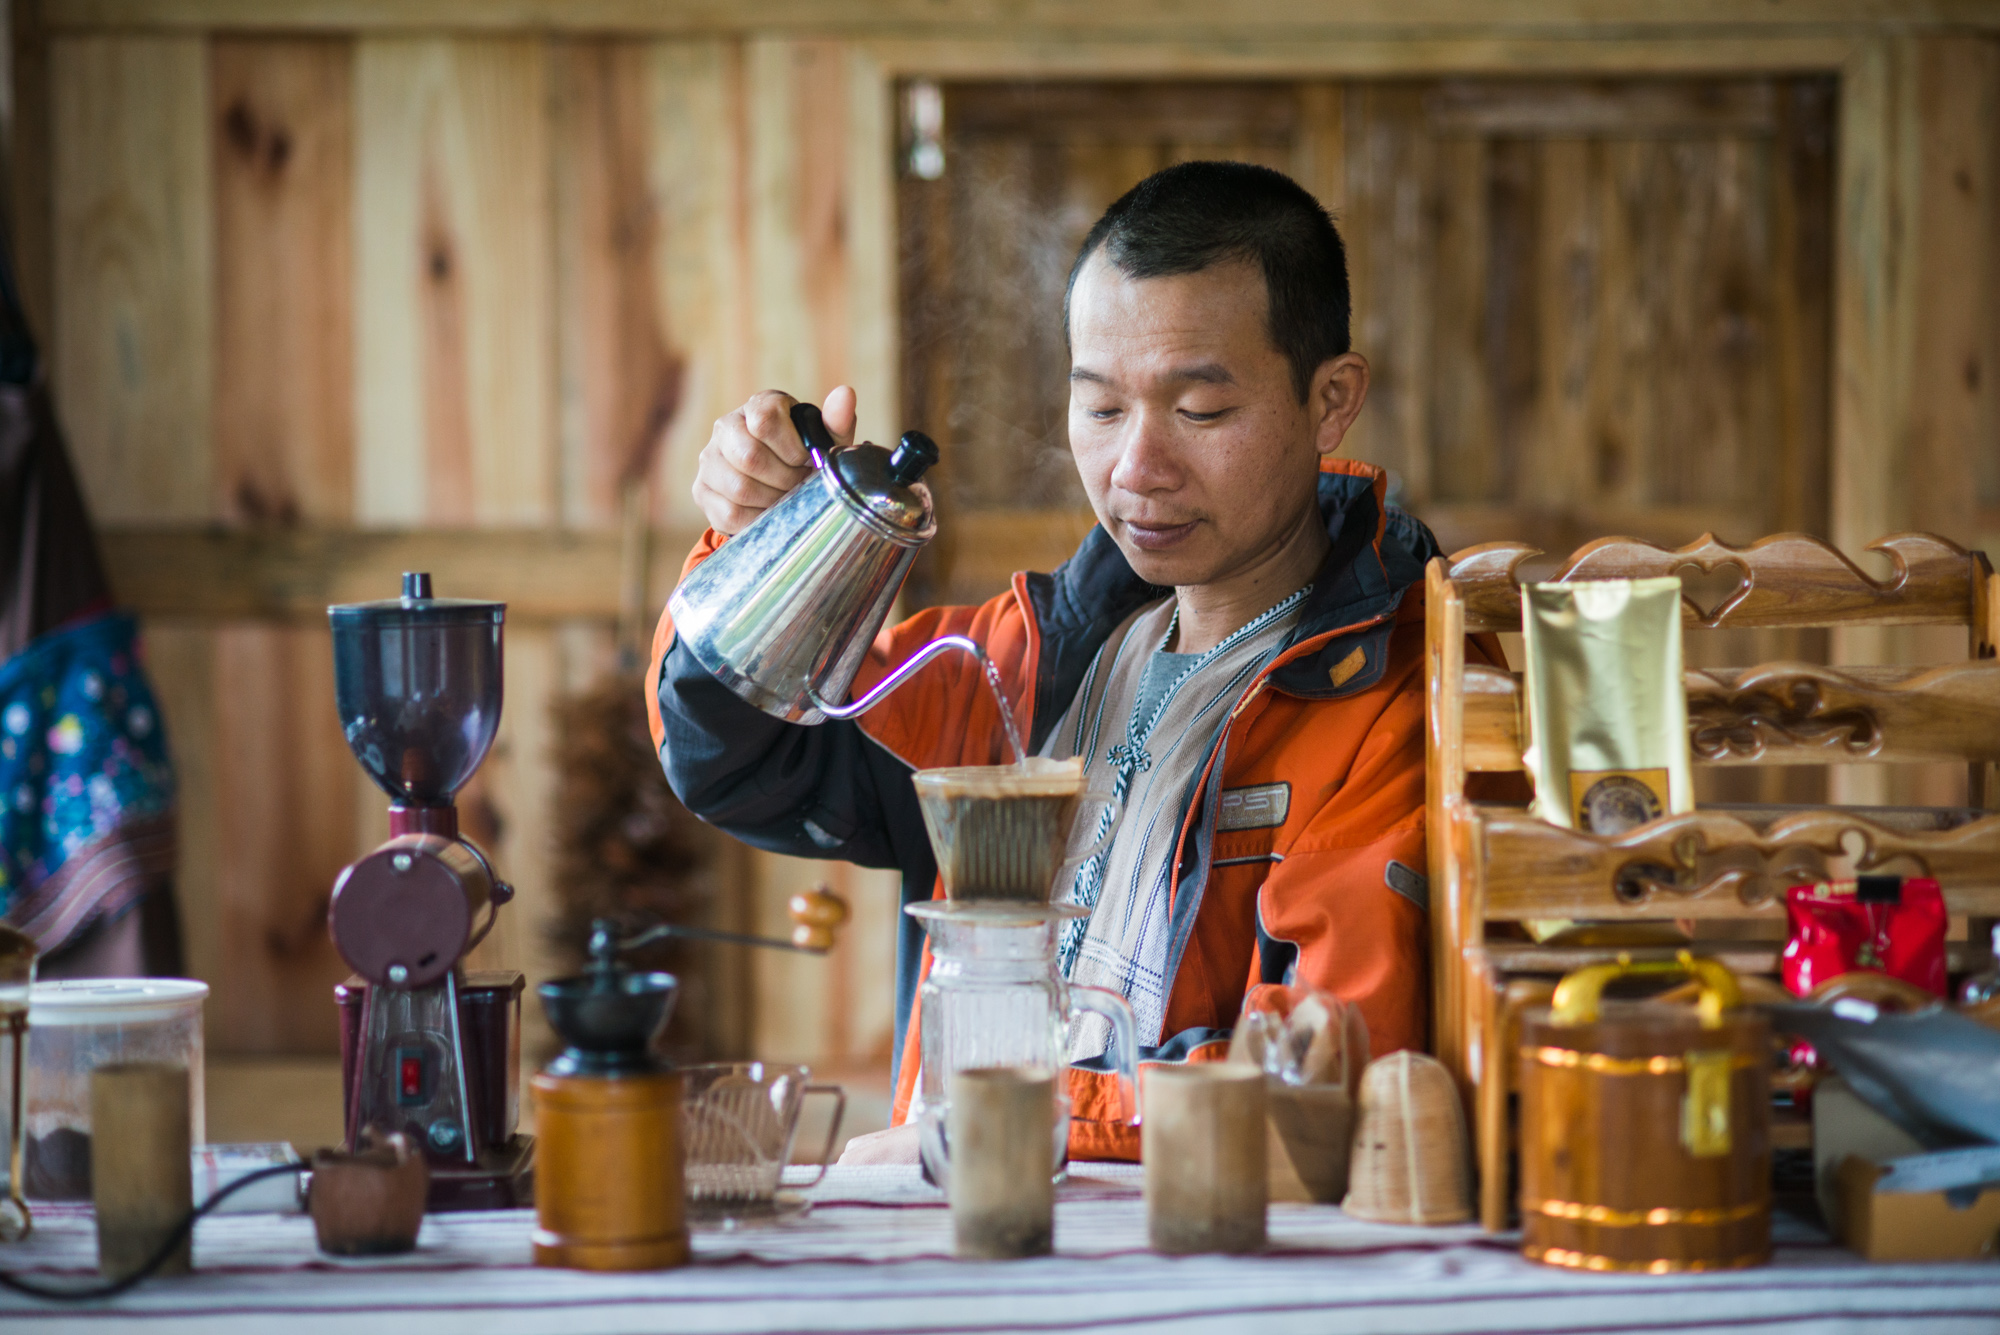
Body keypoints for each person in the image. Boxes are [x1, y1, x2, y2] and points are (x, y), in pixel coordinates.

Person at [647, 160, 1508, 1162]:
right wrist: (760, 550)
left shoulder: (1408, 696)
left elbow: (1322, 1081)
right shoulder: (1015, 664)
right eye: (1100, 409)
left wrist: (984, 1127)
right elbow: (734, 760)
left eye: (1199, 411)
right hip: (974, 1259)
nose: (1136, 469)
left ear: (1329, 401)